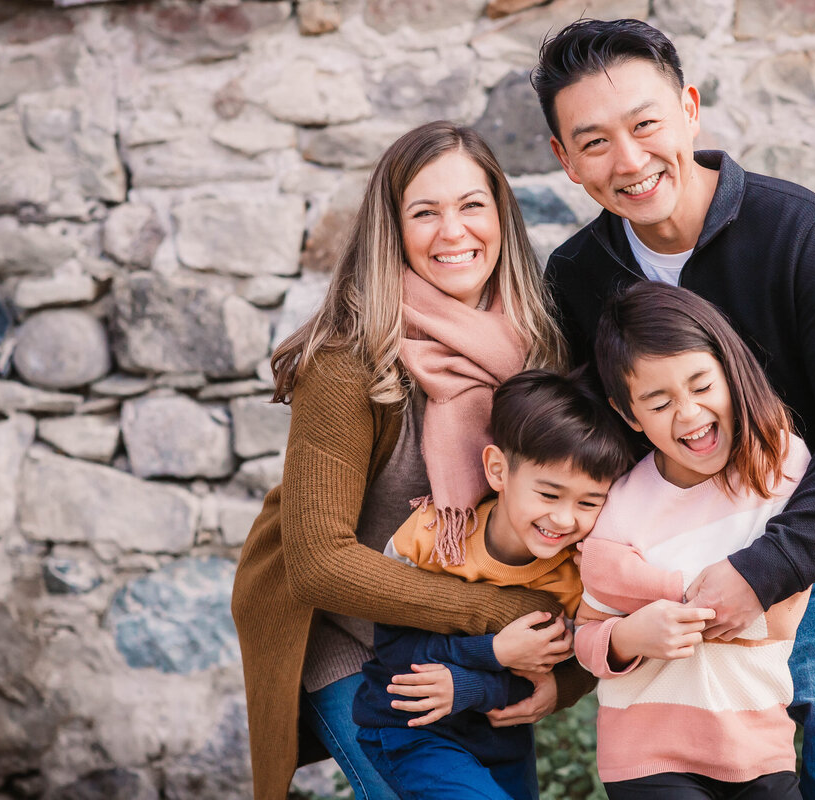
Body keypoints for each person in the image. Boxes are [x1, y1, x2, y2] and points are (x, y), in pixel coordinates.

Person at [532, 19, 815, 799]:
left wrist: (766, 569)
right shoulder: (578, 275)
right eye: (596, 141)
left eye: (646, 124)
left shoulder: (797, 230)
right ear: (566, 160)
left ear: (689, 109)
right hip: (680, 577)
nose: (631, 160)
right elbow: (598, 448)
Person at [230, 121, 594, 800]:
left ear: (501, 217)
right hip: (355, 638)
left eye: (471, 206)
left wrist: (561, 674)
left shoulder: (540, 350)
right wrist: (503, 615)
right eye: (424, 212)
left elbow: (584, 527)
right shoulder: (349, 361)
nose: (452, 232)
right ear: (392, 231)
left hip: (477, 652)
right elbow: (318, 563)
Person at [574, 283, 810, 800]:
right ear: (630, 415)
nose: (689, 414)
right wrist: (630, 638)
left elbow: (794, 591)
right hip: (646, 754)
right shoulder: (623, 507)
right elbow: (586, 634)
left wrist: (683, 596)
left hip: (760, 744)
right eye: (659, 403)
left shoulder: (782, 464)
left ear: (730, 371)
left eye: (702, 386)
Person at [352, 369, 632, 800]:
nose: (564, 519)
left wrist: (478, 685)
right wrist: (494, 653)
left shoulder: (576, 576)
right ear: (498, 470)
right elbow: (393, 652)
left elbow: (548, 673)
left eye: (588, 502)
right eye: (549, 494)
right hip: (413, 730)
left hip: (503, 740)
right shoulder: (433, 537)